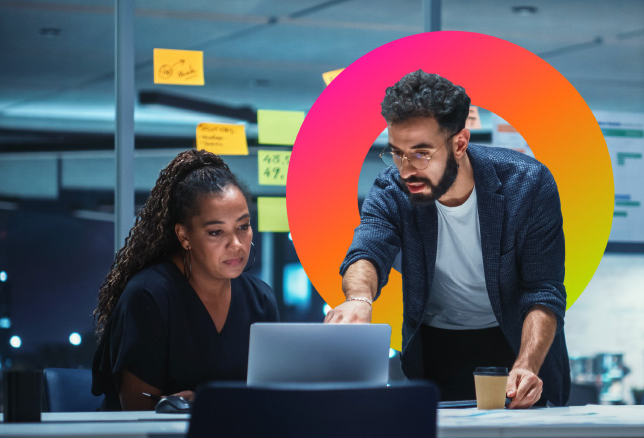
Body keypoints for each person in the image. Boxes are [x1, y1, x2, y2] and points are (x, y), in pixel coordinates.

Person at [325, 70, 570, 408]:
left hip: (515, 341)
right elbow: (368, 250)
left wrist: (527, 364)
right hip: (437, 348)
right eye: (397, 152)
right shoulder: (392, 188)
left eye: (421, 153)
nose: (407, 168)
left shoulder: (528, 184)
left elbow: (543, 289)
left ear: (459, 143)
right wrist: (358, 299)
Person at [92, 149, 279, 411]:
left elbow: (269, 397)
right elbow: (136, 406)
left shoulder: (260, 299)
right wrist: (198, 404)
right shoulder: (149, 296)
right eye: (216, 232)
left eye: (243, 226)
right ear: (184, 236)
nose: (236, 245)